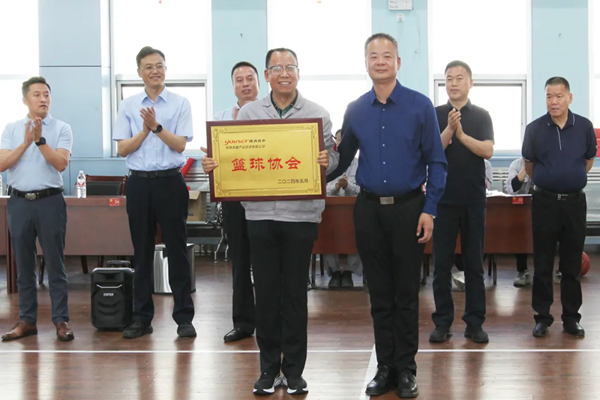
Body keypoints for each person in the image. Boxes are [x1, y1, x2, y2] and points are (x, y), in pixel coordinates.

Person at [203, 47, 338, 396]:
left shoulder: (318, 114)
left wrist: (329, 160)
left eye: (290, 66)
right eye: (276, 68)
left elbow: (332, 162)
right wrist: (215, 165)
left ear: (298, 72)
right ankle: (267, 369)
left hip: (301, 217)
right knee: (265, 294)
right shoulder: (249, 113)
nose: (284, 73)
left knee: (294, 295)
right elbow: (236, 157)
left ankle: (293, 371)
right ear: (267, 76)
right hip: (260, 215)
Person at [329, 33, 447, 398]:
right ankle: (385, 367)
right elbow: (341, 161)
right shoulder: (356, 110)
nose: (379, 61)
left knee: (406, 294)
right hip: (368, 211)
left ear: (398, 62)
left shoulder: (419, 106)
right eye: (373, 56)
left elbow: (437, 162)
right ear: (365, 63)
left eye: (386, 55)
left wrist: (430, 209)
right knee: (379, 294)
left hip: (410, 209)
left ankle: (406, 369)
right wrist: (312, 163)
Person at [113, 46, 196, 339]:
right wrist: (144, 131)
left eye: (159, 65)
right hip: (139, 183)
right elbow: (122, 148)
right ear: (139, 73)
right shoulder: (127, 105)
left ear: (165, 69)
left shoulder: (180, 103)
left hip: (170, 183)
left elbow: (180, 145)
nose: (154, 71)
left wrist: (156, 127)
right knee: (142, 251)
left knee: (177, 250)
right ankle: (141, 318)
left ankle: (184, 318)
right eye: (148, 67)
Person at [0, 77, 74, 342]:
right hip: (19, 202)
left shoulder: (62, 128)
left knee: (55, 263)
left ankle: (61, 320)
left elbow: (61, 163)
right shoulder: (11, 128)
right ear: (25, 100)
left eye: (46, 94)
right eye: (37, 95)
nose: (43, 99)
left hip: (50, 201)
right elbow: (2, 164)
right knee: (23, 264)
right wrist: (25, 142)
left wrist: (40, 141)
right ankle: (27, 320)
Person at [522, 76, 596, 338]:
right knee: (542, 262)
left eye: (559, 96)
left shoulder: (584, 126)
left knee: (571, 264)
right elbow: (529, 165)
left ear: (569, 98)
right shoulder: (534, 129)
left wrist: (569, 179)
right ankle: (542, 318)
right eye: (549, 96)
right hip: (545, 203)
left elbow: (588, 161)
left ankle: (571, 318)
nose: (553, 101)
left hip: (574, 203)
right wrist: (550, 181)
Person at [430, 60, 494, 345]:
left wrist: (462, 135)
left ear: (470, 83)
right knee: (441, 266)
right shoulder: (434, 114)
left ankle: (474, 323)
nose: (453, 83)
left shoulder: (481, 115)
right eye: (449, 78)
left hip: (473, 200)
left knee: (474, 264)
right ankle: (442, 322)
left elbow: (488, 150)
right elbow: (430, 150)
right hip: (442, 200)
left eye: (459, 78)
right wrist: (448, 129)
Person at [202, 61, 260, 343]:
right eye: (239, 79)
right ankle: (244, 322)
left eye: (250, 78)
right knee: (239, 261)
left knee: (268, 262)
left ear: (259, 82)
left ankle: (271, 321)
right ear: (233, 85)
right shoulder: (221, 119)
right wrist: (208, 164)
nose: (245, 84)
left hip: (265, 197)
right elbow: (215, 159)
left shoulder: (270, 113)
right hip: (234, 198)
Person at [324, 129, 362, 289]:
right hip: (330, 211)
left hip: (354, 211)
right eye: (338, 140)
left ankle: (348, 272)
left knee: (356, 235)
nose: (341, 143)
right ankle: (334, 272)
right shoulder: (329, 163)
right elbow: (322, 189)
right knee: (327, 235)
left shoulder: (360, 163)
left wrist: (347, 187)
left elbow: (364, 190)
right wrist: (336, 187)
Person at [505, 157, 533, 287]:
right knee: (520, 230)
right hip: (522, 209)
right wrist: (527, 168)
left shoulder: (546, 161)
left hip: (544, 205)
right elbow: (512, 189)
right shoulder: (516, 164)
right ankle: (522, 271)